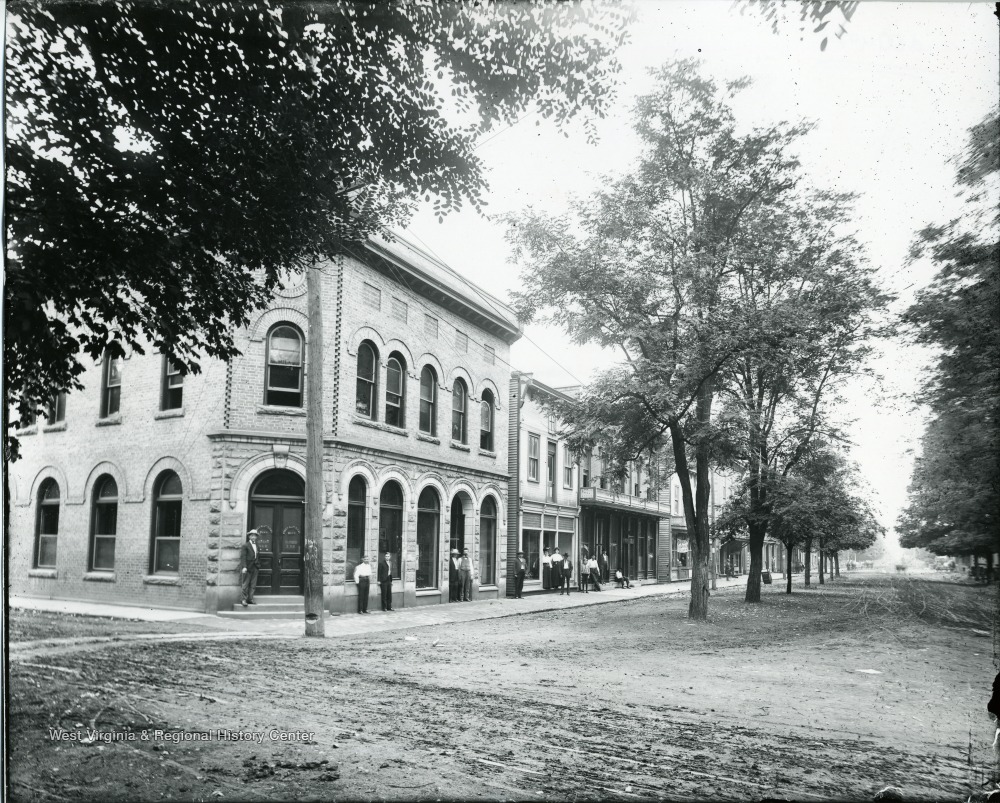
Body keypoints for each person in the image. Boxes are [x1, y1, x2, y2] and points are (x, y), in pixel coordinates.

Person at [239, 530, 260, 607]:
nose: (253, 537)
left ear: (256, 537)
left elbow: (257, 556)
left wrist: (258, 565)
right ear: (249, 536)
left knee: (253, 584)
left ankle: (250, 599)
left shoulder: (257, 545)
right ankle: (243, 600)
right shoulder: (245, 546)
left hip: (255, 567)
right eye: (252, 535)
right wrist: (244, 567)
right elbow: (243, 557)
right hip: (247, 567)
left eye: (255, 536)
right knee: (245, 584)